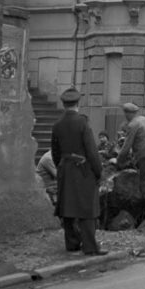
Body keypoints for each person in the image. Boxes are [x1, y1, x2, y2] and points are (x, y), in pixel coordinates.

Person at [50, 87, 107, 255]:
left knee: (68, 207)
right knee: (87, 208)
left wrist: (62, 167)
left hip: (65, 169)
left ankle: (72, 244)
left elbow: (55, 152)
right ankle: (90, 247)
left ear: (64, 104)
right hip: (83, 169)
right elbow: (92, 151)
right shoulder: (83, 123)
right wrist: (98, 172)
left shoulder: (57, 125)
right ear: (77, 103)